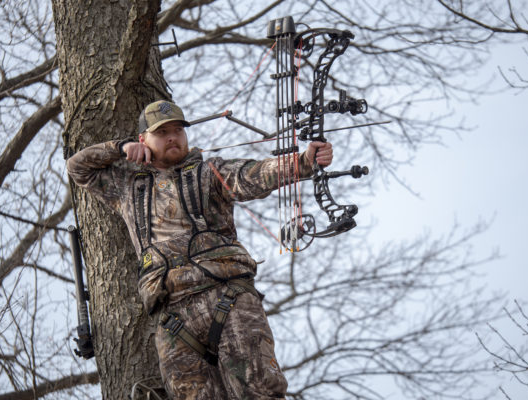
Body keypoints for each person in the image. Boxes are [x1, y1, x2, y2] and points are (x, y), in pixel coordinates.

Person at [66, 100, 333, 399]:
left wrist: (305, 161)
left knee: (261, 391)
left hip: (229, 298)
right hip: (174, 316)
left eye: (178, 130)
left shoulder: (209, 171)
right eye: (162, 131)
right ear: (143, 140)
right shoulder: (126, 185)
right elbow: (77, 167)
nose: (172, 137)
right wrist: (119, 147)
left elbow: (254, 174)